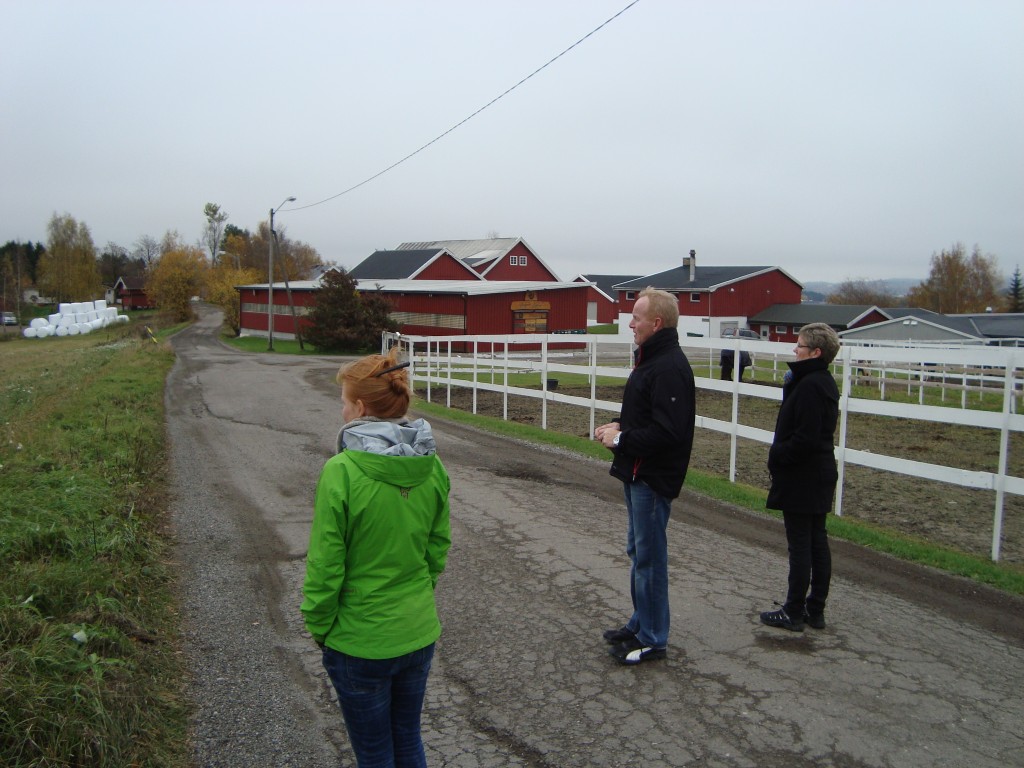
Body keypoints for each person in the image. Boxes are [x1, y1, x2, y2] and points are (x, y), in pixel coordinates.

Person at [301, 348, 451, 767]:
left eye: (345, 403)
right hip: (417, 630)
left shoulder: (343, 471)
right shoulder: (432, 466)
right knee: (407, 741)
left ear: (361, 408)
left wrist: (319, 624)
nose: (342, 410)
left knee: (374, 753)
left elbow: (326, 564)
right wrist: (418, 594)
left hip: (359, 640)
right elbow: (436, 547)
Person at [595, 287, 695, 665]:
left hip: (652, 477)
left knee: (649, 558)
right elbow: (650, 418)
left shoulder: (668, 366)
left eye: (636, 317)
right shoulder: (652, 360)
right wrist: (621, 425)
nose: (630, 323)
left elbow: (668, 432)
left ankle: (654, 638)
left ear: (656, 323)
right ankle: (641, 624)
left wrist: (621, 438)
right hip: (637, 472)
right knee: (639, 553)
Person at [759, 322, 840, 632]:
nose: (795, 350)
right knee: (817, 541)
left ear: (815, 352)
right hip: (817, 472)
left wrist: (778, 457)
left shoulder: (809, 385)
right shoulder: (822, 382)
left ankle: (794, 609)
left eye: (800, 346)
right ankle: (814, 609)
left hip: (803, 475)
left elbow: (804, 438)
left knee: (803, 545)